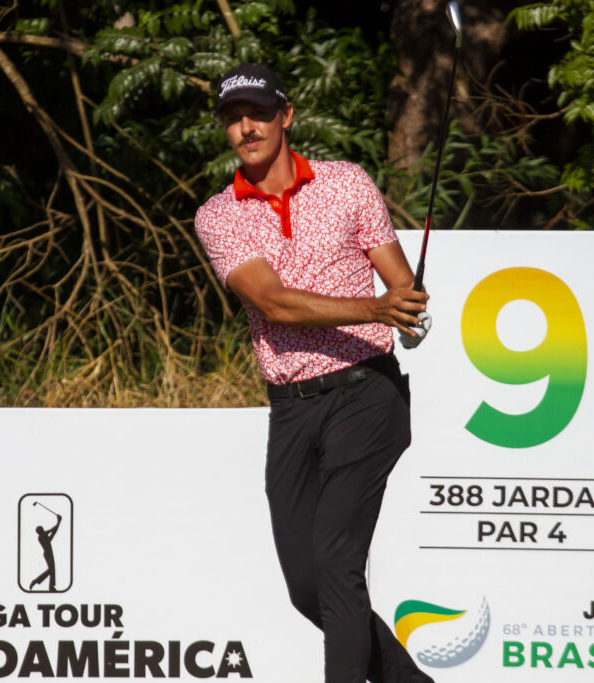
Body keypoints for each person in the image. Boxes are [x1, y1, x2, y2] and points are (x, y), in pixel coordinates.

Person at [194, 64, 434, 683]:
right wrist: (377, 306)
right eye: (233, 118)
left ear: (287, 116)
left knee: (335, 563)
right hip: (293, 407)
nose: (246, 128)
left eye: (258, 114)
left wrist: (407, 305)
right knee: (307, 586)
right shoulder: (218, 216)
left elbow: (399, 280)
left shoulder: (348, 184)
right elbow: (273, 302)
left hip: (368, 391)